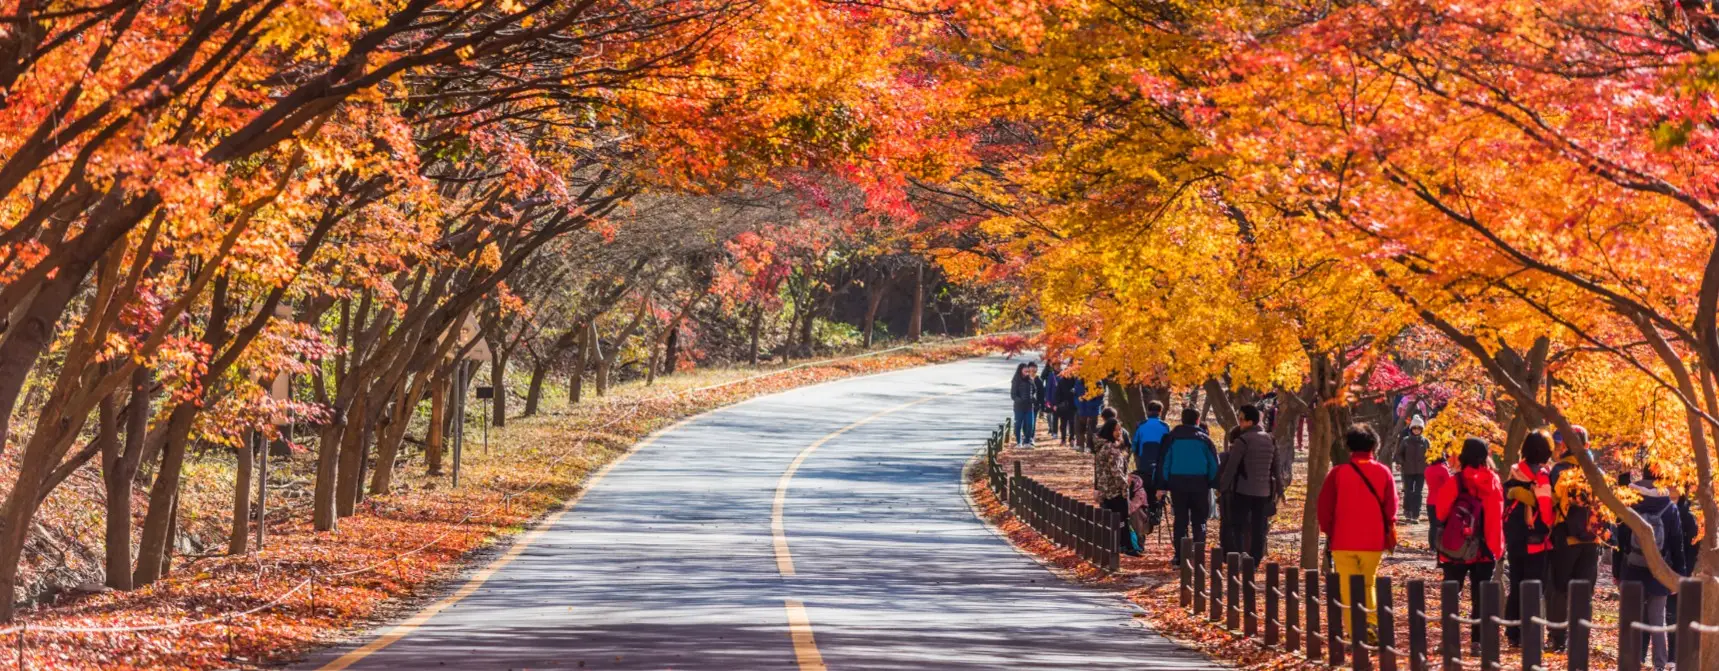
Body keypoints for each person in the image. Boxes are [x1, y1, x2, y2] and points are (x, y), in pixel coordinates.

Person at [1316, 424, 1399, 643]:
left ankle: (1355, 632)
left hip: (1343, 540)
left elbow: (1324, 508)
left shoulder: (1338, 473)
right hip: (1372, 541)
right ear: (1374, 445)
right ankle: (1371, 624)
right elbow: (1391, 509)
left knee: (1347, 586)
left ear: (1350, 447)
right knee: (1368, 583)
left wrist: (1329, 530)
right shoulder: (1383, 472)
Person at [1432, 437, 1504, 645]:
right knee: (1481, 596)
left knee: (1451, 594)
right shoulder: (1493, 481)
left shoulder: (1456, 481)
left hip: (1456, 548)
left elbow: (1441, 512)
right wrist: (1495, 548)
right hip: (1484, 549)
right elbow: (1496, 516)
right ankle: (1478, 642)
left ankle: (1449, 641)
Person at [1612, 467, 1685, 671]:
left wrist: (1617, 572)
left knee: (1630, 619)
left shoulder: (1630, 502)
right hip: (1659, 570)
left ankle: (1629, 662)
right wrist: (1678, 577)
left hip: (1632, 568)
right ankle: (1660, 665)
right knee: (1657, 620)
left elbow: (1621, 540)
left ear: (1643, 476)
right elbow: (1677, 544)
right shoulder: (1670, 507)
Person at [1547, 425, 1604, 652]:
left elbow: (1551, 504)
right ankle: (1580, 639)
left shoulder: (1558, 470)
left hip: (1565, 540)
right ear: (1586, 445)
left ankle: (1557, 638)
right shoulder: (1596, 473)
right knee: (1584, 592)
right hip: (1592, 541)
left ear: (1565, 444)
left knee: (1559, 589)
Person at [1502, 430, 1555, 647]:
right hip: (1536, 539)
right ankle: (1529, 633)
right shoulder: (1542, 475)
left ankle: (1512, 632)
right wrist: (1550, 526)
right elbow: (1545, 509)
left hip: (1515, 538)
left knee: (1516, 582)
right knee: (1534, 586)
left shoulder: (1515, 472)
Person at [1218, 404, 1281, 561]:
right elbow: (1276, 468)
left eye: (1241, 419)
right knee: (1259, 525)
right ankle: (1256, 559)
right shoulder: (1271, 440)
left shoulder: (1243, 441)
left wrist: (1222, 488)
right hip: (1264, 491)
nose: (1239, 422)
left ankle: (1241, 554)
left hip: (1243, 489)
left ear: (1250, 422)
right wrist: (1280, 490)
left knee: (1238, 524)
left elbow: (1231, 468)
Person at [1159, 407, 1218, 565]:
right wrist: (1212, 481)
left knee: (1180, 520)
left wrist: (1164, 483)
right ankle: (1199, 554)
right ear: (1198, 420)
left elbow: (1165, 463)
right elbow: (1214, 464)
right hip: (1200, 483)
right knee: (1200, 520)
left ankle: (1180, 555)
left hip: (1177, 483)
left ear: (1182, 419)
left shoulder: (1172, 438)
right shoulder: (1205, 440)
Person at [1093, 408, 1139, 556]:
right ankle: (1126, 546)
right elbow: (1116, 472)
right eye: (1117, 430)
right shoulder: (1111, 449)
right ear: (1109, 431)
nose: (1119, 433)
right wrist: (1126, 486)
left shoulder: (1101, 447)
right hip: (1115, 490)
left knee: (1112, 519)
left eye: (1120, 430)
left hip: (1105, 489)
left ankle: (1118, 544)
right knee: (1122, 519)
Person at [1132, 401, 1172, 528]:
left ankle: (1146, 515)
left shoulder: (1141, 426)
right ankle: (1157, 512)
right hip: (1160, 464)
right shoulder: (1165, 426)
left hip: (1144, 464)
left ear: (1148, 411)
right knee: (1158, 488)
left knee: (1145, 488)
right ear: (1160, 412)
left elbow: (1135, 446)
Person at [1399, 416, 1431, 522]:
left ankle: (1416, 514)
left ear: (1422, 429)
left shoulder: (1426, 441)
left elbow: (1431, 455)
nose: (1416, 430)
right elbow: (1399, 454)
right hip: (1408, 470)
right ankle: (1407, 511)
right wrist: (1402, 463)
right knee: (1408, 491)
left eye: (1418, 428)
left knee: (1418, 492)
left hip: (1421, 471)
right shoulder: (1405, 441)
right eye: (1414, 428)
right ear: (1411, 429)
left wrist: (1428, 465)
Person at [1424, 448, 1454, 552]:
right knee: (1441, 525)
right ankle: (1440, 546)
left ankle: (1432, 546)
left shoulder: (1428, 469)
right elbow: (1449, 484)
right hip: (1441, 501)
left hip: (1430, 500)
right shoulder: (1443, 469)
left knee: (1432, 525)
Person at [1009, 363, 1041, 446]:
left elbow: (1034, 389)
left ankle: (1027, 442)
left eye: (1027, 370)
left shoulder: (1030, 379)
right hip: (1019, 407)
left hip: (1029, 406)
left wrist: (1032, 399)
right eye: (1025, 370)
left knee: (1030, 424)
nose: (1027, 371)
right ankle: (1019, 442)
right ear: (1021, 370)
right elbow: (1013, 395)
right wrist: (1021, 400)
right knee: (1018, 425)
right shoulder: (1016, 380)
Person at [1072, 378, 1104, 452]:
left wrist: (1092, 404)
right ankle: (1080, 445)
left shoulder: (1097, 381)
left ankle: (1089, 446)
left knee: (1091, 429)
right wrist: (1078, 404)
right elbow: (1075, 395)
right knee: (1079, 427)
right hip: (1081, 408)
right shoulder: (1078, 381)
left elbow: (1101, 397)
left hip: (1092, 410)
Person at [1054, 374, 1077, 446]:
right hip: (1063, 406)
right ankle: (1063, 439)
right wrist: (1057, 404)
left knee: (1072, 423)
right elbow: (1057, 394)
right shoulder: (1061, 381)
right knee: (1063, 424)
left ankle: (1072, 439)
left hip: (1073, 406)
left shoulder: (1075, 381)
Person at [1042, 364, 1061, 436]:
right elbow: (1048, 388)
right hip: (1052, 398)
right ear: (1053, 366)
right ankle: (1052, 429)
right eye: (1056, 365)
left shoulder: (1063, 373)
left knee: (1060, 416)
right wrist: (1047, 400)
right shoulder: (1051, 375)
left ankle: (1057, 431)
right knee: (1050, 415)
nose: (1058, 367)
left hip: (1060, 399)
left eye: (1059, 365)